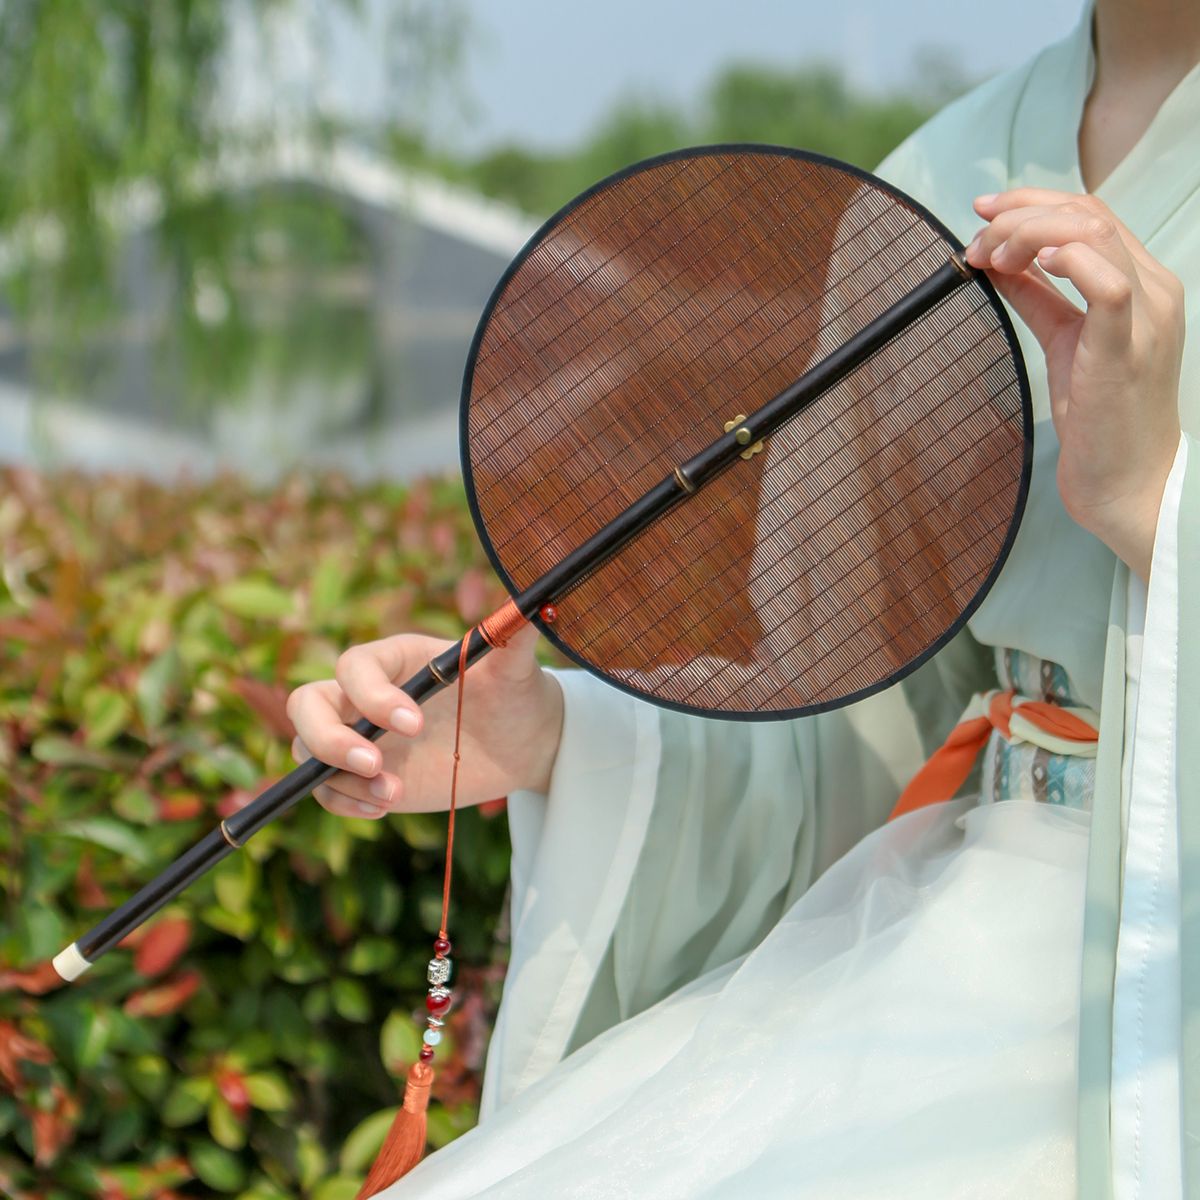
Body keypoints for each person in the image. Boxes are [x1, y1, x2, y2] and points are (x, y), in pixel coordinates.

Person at [286, 1, 1198, 1194]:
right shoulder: (942, 175)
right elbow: (860, 725)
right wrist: (554, 736)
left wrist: (1151, 506)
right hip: (978, 932)